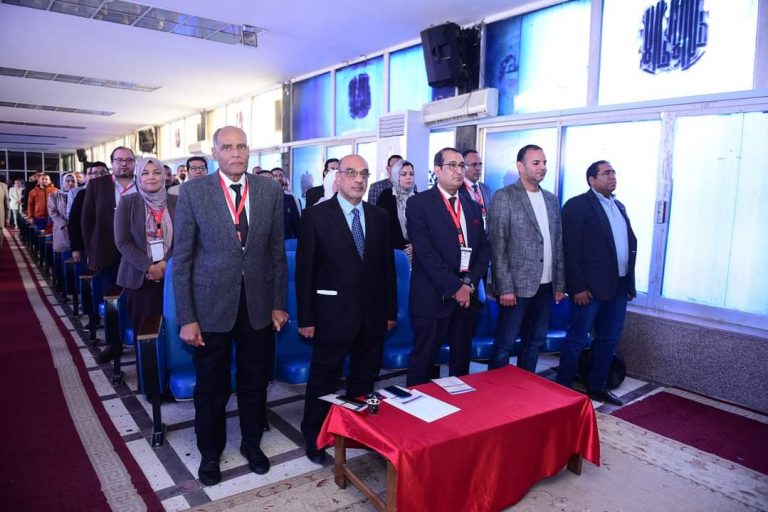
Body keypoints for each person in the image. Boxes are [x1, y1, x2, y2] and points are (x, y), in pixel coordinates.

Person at [173, 126, 288, 486]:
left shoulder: (269, 190)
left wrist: (278, 303)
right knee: (212, 386)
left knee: (255, 381)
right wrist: (187, 317)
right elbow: (182, 260)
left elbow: (277, 253)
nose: (235, 153)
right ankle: (210, 452)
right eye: (227, 147)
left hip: (257, 305)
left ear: (249, 151)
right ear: (215, 154)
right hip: (210, 305)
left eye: (241, 146)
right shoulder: (193, 192)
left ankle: (252, 444)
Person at [297, 154, 397, 464]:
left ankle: (360, 432)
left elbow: (387, 269)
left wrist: (390, 311)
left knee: (366, 378)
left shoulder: (380, 216)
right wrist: (306, 318)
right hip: (331, 315)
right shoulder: (315, 216)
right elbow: (304, 272)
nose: (358, 179)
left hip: (372, 315)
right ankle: (314, 436)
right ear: (337, 178)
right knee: (323, 379)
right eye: (351, 173)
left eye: (364, 173)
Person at [405, 148, 490, 386]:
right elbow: (425, 253)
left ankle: (457, 408)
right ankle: (415, 406)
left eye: (461, 166)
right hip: (433, 297)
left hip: (466, 296)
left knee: (461, 363)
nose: (458, 171)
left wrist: (469, 283)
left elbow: (483, 249)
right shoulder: (419, 203)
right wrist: (455, 287)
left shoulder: (471, 205)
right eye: (452, 165)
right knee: (424, 361)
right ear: (437, 170)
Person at [556, 160, 637, 406]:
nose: (612, 176)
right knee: (577, 338)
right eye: (606, 173)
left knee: (609, 339)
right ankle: (562, 388)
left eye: (613, 172)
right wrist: (577, 287)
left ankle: (597, 385)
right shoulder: (577, 205)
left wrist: (629, 284)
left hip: (618, 286)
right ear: (592, 180)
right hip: (588, 289)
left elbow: (626, 245)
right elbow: (570, 250)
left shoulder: (618, 206)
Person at [487, 144, 565, 373]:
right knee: (505, 343)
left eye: (544, 162)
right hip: (516, 286)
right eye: (536, 163)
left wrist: (560, 283)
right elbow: (498, 245)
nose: (543, 167)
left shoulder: (551, 199)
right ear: (520, 166)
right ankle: (495, 388)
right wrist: (505, 288)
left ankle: (525, 387)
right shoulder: (505, 197)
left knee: (535, 342)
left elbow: (557, 242)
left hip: (546, 285)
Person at [114, 157, 176, 364]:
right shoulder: (128, 202)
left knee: (173, 331)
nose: (152, 177)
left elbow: (185, 238)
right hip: (139, 277)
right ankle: (149, 379)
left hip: (173, 275)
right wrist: (149, 267)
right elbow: (122, 241)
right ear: (138, 177)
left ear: (164, 176)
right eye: (145, 173)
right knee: (146, 333)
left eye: (157, 172)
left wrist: (166, 263)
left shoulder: (177, 202)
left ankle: (169, 373)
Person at [81, 146, 138, 363]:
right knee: (111, 300)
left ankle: (138, 339)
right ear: (112, 163)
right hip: (106, 252)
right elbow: (87, 221)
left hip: (136, 253)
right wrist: (90, 251)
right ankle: (114, 344)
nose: (124, 164)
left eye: (128, 160)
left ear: (134, 163)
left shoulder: (142, 183)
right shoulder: (97, 185)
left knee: (135, 299)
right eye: (119, 160)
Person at [68, 163, 109, 264]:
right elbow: (74, 222)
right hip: (87, 243)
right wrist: (75, 248)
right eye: (95, 173)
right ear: (90, 176)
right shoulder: (82, 195)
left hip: (109, 244)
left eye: (103, 172)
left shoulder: (114, 192)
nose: (99, 176)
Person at [375, 159, 415, 257]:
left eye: (411, 174)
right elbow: (382, 226)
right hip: (394, 251)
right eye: (404, 174)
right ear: (396, 176)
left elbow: (423, 227)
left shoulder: (417, 197)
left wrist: (415, 245)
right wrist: (403, 246)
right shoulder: (386, 196)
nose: (408, 177)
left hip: (416, 251)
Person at [461, 150, 492, 231]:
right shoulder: (457, 189)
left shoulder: (486, 189)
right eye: (474, 164)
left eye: (480, 164)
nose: (478, 168)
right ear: (464, 167)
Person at [47, 172, 76, 255]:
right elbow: (52, 212)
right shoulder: (54, 196)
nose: (70, 183)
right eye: (68, 181)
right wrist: (64, 224)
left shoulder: (79, 195)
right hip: (62, 228)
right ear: (63, 182)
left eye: (73, 181)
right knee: (65, 253)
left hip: (76, 229)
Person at [268, 167, 301, 239]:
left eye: (281, 175)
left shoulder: (291, 197)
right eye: (275, 176)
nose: (279, 178)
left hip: (287, 240)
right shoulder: (264, 197)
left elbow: (297, 222)